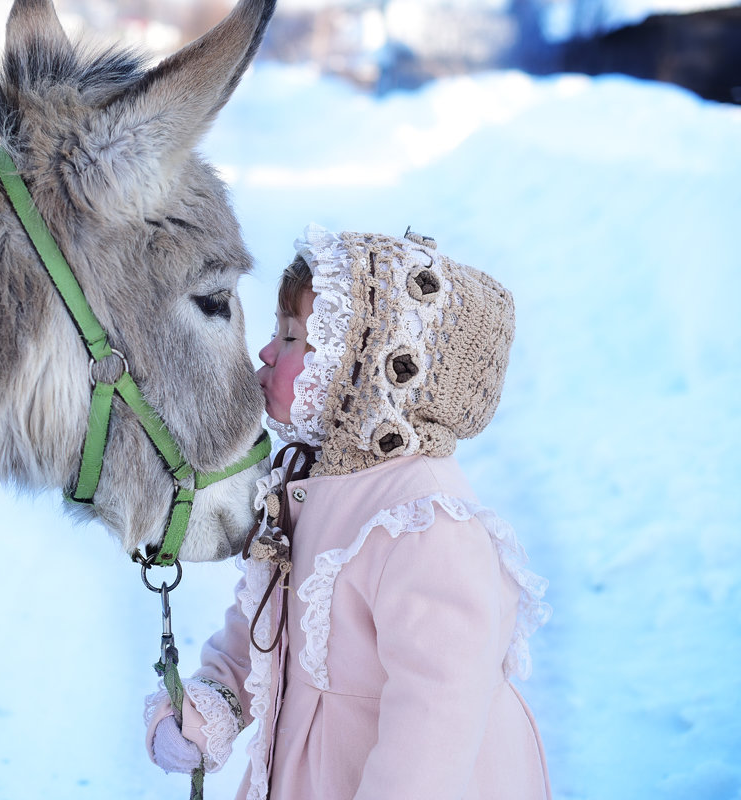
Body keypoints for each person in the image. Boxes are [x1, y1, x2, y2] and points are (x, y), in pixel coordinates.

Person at [143, 225, 552, 799]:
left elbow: (437, 722)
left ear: (358, 371)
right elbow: (263, 626)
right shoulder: (311, 482)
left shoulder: (425, 527)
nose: (265, 351)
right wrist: (215, 699)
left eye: (290, 337)